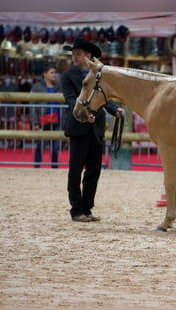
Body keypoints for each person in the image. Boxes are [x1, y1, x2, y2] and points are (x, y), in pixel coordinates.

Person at [61, 37, 124, 222]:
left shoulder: (98, 75)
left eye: (78, 54)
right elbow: (71, 99)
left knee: (94, 170)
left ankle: (87, 207)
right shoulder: (68, 76)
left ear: (88, 56)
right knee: (75, 170)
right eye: (73, 54)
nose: (75, 57)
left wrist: (115, 110)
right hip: (78, 125)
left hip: (96, 127)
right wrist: (84, 113)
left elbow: (105, 98)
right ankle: (76, 209)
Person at [30, 63, 61, 168]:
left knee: (55, 148)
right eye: (52, 72)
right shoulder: (37, 87)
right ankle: (37, 167)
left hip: (57, 121)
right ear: (45, 74)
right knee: (40, 146)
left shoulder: (58, 86)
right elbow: (32, 106)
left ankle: (54, 168)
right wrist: (34, 122)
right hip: (42, 121)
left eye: (55, 73)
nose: (54, 75)